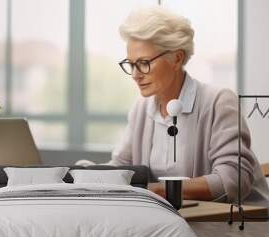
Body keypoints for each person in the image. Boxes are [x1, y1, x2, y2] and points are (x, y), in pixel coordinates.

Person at [81, 7, 269, 204]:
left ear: (177, 58)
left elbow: (233, 179)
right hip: (178, 221)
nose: (136, 75)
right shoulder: (141, 109)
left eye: (144, 63)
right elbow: (122, 167)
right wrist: (81, 175)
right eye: (131, 64)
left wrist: (158, 190)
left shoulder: (218, 101)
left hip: (237, 225)